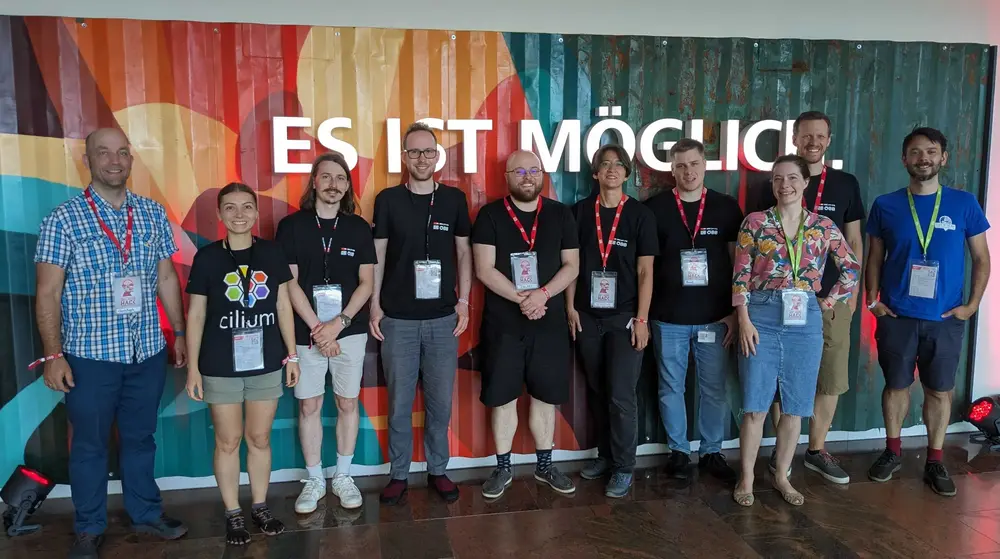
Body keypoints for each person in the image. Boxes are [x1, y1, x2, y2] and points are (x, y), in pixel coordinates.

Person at [33, 128, 189, 559]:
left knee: (141, 438)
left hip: (146, 354)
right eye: (104, 153)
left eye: (122, 152)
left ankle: (146, 513)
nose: (114, 160)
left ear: (131, 159)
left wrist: (178, 333)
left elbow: (165, 278)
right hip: (89, 358)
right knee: (89, 444)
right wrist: (53, 355)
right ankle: (88, 527)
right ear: (88, 160)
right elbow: (47, 292)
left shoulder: (153, 214)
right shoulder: (63, 219)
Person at [865, 127, 990, 497]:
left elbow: (982, 259)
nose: (924, 159)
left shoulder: (964, 203)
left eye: (931, 152)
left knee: (939, 391)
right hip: (897, 316)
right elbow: (874, 257)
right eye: (916, 152)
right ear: (904, 159)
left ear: (943, 158)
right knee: (896, 386)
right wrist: (873, 300)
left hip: (945, 319)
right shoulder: (886, 204)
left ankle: (935, 459)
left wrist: (972, 306)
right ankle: (892, 451)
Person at [731, 155, 859, 508]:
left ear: (805, 183)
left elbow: (850, 267)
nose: (784, 184)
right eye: (777, 179)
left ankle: (782, 475)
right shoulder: (755, 223)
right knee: (756, 405)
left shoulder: (823, 226)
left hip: (806, 320)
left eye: (791, 178)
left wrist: (828, 302)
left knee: (795, 407)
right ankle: (747, 477)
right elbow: (740, 275)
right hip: (761, 314)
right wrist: (743, 319)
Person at [751, 111, 866, 484]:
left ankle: (815, 450)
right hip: (772, 306)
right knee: (778, 379)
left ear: (828, 140)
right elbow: (751, 259)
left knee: (828, 377)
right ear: (796, 139)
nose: (813, 141)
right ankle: (780, 454)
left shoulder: (845, 184)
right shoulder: (770, 189)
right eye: (806, 135)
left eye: (820, 136)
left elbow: (854, 245)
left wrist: (838, 298)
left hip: (823, 304)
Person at [184, 182, 300, 545]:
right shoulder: (207, 258)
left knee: (259, 437)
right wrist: (193, 368)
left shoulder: (272, 253)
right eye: (230, 208)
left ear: (255, 213)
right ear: (219, 214)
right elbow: (197, 315)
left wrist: (292, 354)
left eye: (246, 207)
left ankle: (260, 505)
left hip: (265, 361)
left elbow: (283, 305)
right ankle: (233, 511)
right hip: (220, 364)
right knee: (228, 439)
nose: (238, 214)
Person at [371, 122, 473, 504]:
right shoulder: (387, 200)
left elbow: (463, 252)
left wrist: (463, 301)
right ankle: (398, 474)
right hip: (397, 319)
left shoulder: (454, 200)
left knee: (439, 403)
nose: (421, 158)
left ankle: (438, 470)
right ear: (403, 157)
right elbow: (377, 255)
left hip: (443, 318)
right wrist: (375, 305)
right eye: (413, 152)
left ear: (437, 156)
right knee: (398, 403)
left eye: (428, 152)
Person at [473, 149, 580, 499]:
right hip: (503, 324)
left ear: (542, 175)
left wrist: (543, 295)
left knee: (545, 398)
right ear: (507, 177)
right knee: (503, 398)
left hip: (547, 324)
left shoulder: (561, 215)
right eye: (519, 171)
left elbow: (572, 265)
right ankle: (503, 469)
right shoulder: (489, 216)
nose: (527, 176)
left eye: (534, 170)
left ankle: (545, 466)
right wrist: (524, 298)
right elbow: (483, 269)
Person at [276, 152, 376, 513]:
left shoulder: (359, 228)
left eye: (341, 178)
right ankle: (315, 478)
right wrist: (319, 329)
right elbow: (289, 283)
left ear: (347, 186)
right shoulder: (291, 226)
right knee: (309, 404)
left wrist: (339, 324)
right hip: (307, 332)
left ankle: (344, 477)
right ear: (314, 182)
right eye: (327, 177)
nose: (334, 184)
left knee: (348, 402)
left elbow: (366, 284)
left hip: (349, 330)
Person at [645, 138, 744, 482]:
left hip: (715, 319)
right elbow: (646, 267)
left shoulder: (726, 208)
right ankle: (678, 452)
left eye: (694, 164)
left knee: (713, 388)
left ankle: (712, 452)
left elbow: (739, 266)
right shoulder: (654, 208)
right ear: (672, 169)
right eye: (681, 165)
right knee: (670, 386)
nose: (688, 171)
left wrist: (736, 312)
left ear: (705, 166)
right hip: (667, 317)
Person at [567, 144, 659, 498]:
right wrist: (570, 308)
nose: (611, 170)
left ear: (627, 173)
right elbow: (570, 266)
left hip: (624, 316)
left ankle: (624, 467)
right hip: (587, 317)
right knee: (598, 390)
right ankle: (605, 455)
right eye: (604, 165)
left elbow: (646, 271)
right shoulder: (578, 213)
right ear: (595, 173)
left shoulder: (639, 215)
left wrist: (642, 319)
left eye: (618, 165)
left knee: (622, 394)